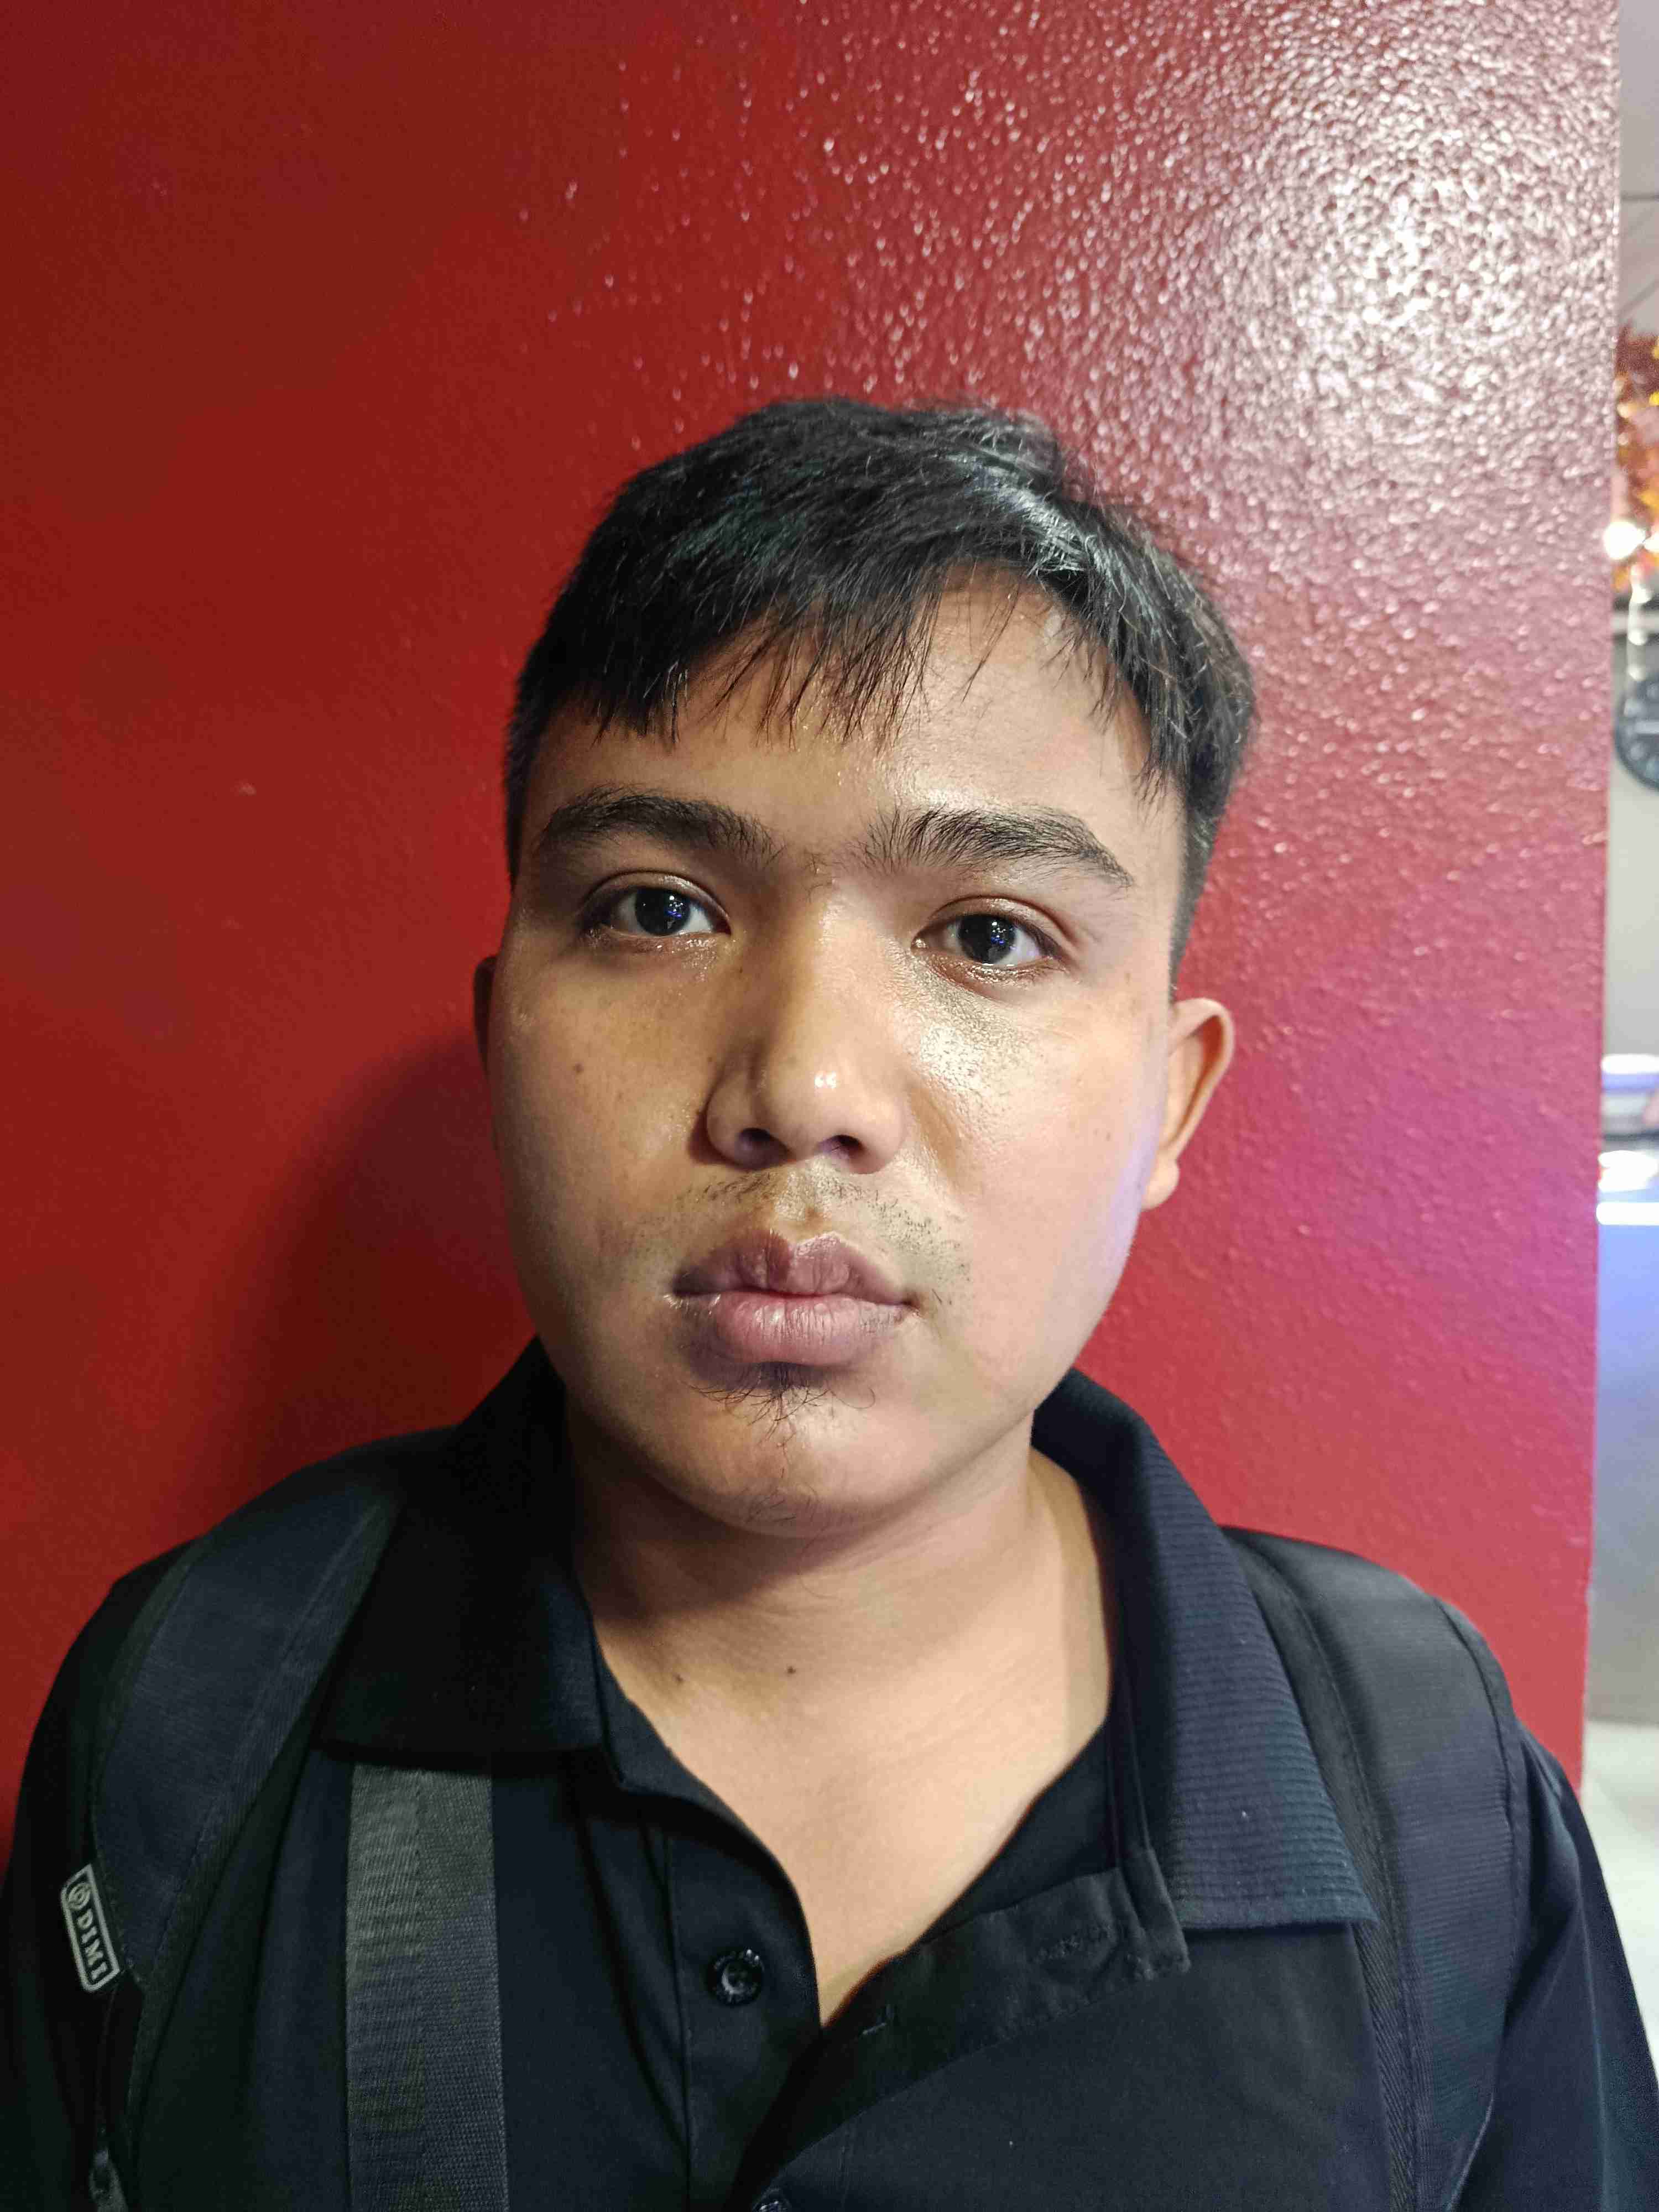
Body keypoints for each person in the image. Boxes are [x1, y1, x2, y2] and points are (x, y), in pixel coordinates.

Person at [3, 398, 1655, 2210]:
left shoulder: (1430, 1790)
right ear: (499, 1047)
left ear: (1170, 1105)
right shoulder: (192, 1713)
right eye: (658, 909)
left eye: (989, 934)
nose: (801, 1089)